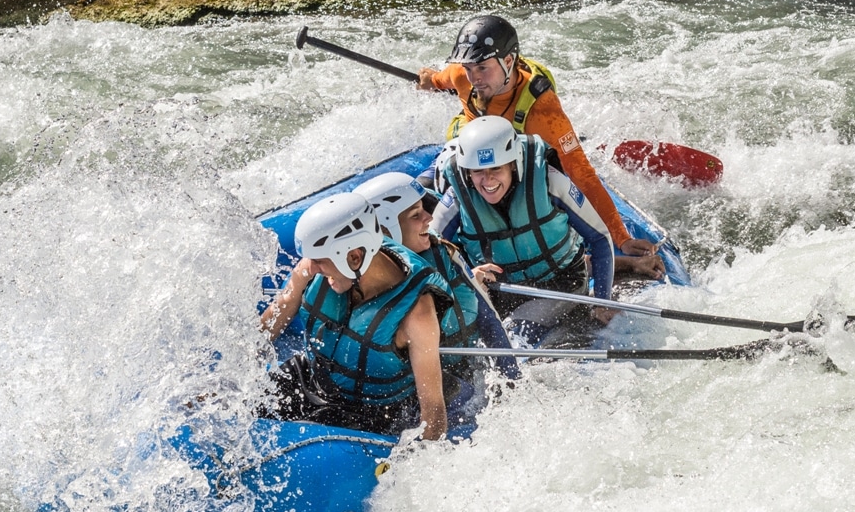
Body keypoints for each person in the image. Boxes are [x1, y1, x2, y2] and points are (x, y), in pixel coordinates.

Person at [417, 14, 665, 280]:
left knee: (531, 220)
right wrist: (430, 81)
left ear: (508, 62)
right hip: (472, 155)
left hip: (518, 169)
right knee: (429, 185)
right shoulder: (461, 74)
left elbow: (581, 173)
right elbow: (440, 80)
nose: (474, 78)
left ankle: (599, 262)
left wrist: (621, 237)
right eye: (469, 68)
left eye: (482, 68)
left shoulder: (544, 111)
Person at [259, 192, 456, 440]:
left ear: (354, 257)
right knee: (233, 408)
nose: (311, 268)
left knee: (287, 439)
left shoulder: (417, 313)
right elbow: (281, 309)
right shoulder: (316, 264)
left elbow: (433, 409)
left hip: (366, 410)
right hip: (311, 376)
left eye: (320, 262)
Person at [435, 115, 618, 343]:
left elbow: (600, 238)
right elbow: (428, 251)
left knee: (513, 338)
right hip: (499, 290)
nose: (487, 180)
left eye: (496, 168)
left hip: (560, 284)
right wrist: (468, 275)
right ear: (467, 172)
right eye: (477, 171)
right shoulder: (458, 194)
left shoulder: (549, 180)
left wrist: (602, 302)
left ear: (513, 164)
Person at [351, 171, 521, 380]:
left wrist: (511, 377)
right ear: (385, 231)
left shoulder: (443, 252)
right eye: (416, 215)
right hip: (429, 383)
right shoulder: (364, 285)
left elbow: (488, 319)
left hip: (472, 367)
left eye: (423, 210)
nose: (429, 218)